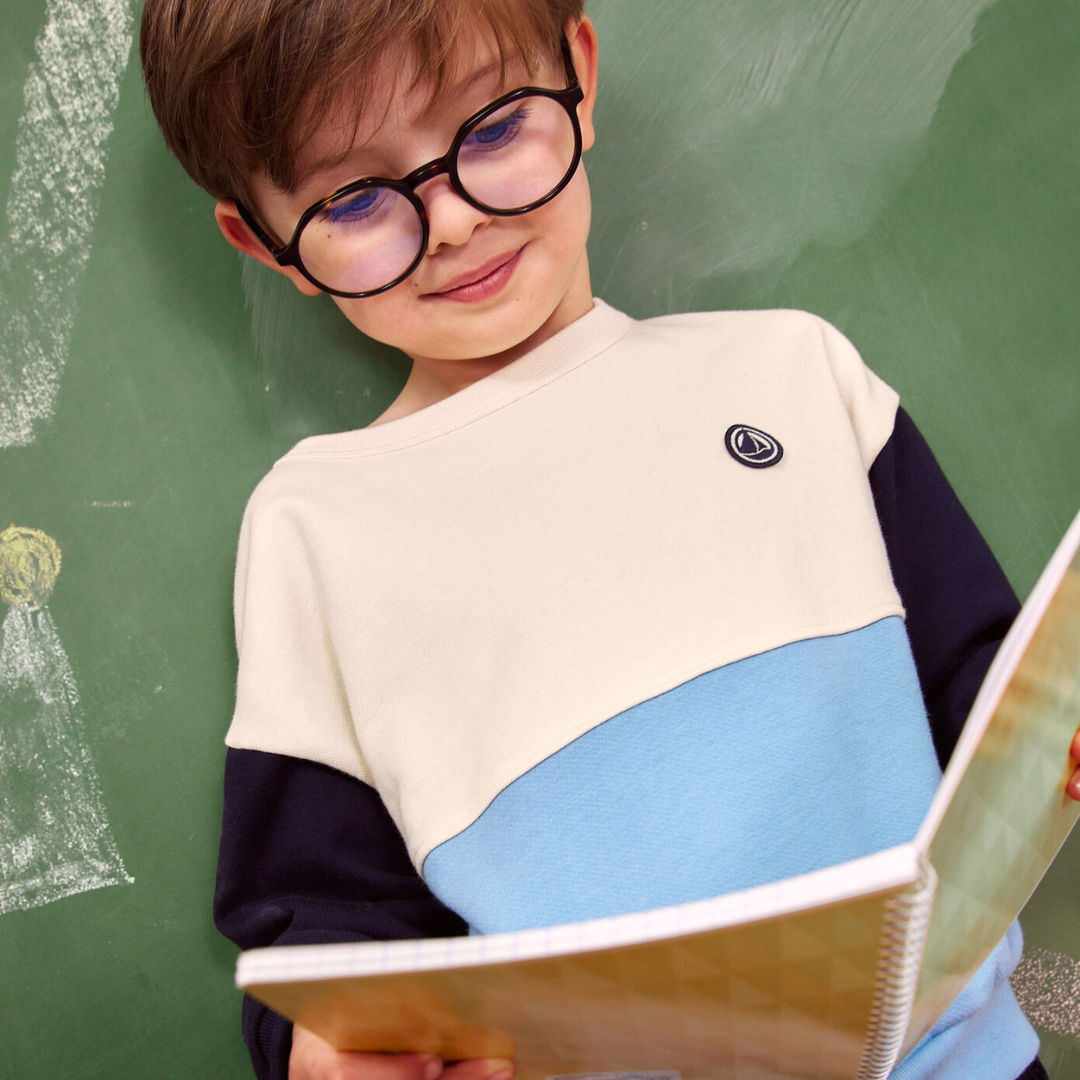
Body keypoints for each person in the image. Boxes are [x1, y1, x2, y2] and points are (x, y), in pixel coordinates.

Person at [139, 2, 1080, 1078]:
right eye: (354, 198)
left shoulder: (794, 374)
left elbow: (994, 690)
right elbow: (319, 920)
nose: (451, 221)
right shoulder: (314, 530)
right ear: (267, 244)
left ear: (578, 78)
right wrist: (329, 1049)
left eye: (494, 127)